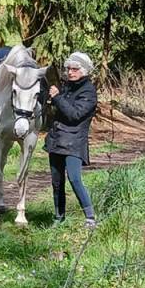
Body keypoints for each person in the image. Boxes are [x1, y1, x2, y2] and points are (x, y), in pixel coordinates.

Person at [45, 51, 98, 228]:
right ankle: (58, 218)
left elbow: (74, 115)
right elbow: (59, 110)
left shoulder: (88, 91)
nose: (70, 72)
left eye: (75, 69)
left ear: (84, 71)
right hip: (56, 140)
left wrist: (57, 97)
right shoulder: (67, 86)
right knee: (57, 182)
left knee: (74, 178)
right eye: (68, 68)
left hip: (74, 142)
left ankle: (90, 218)